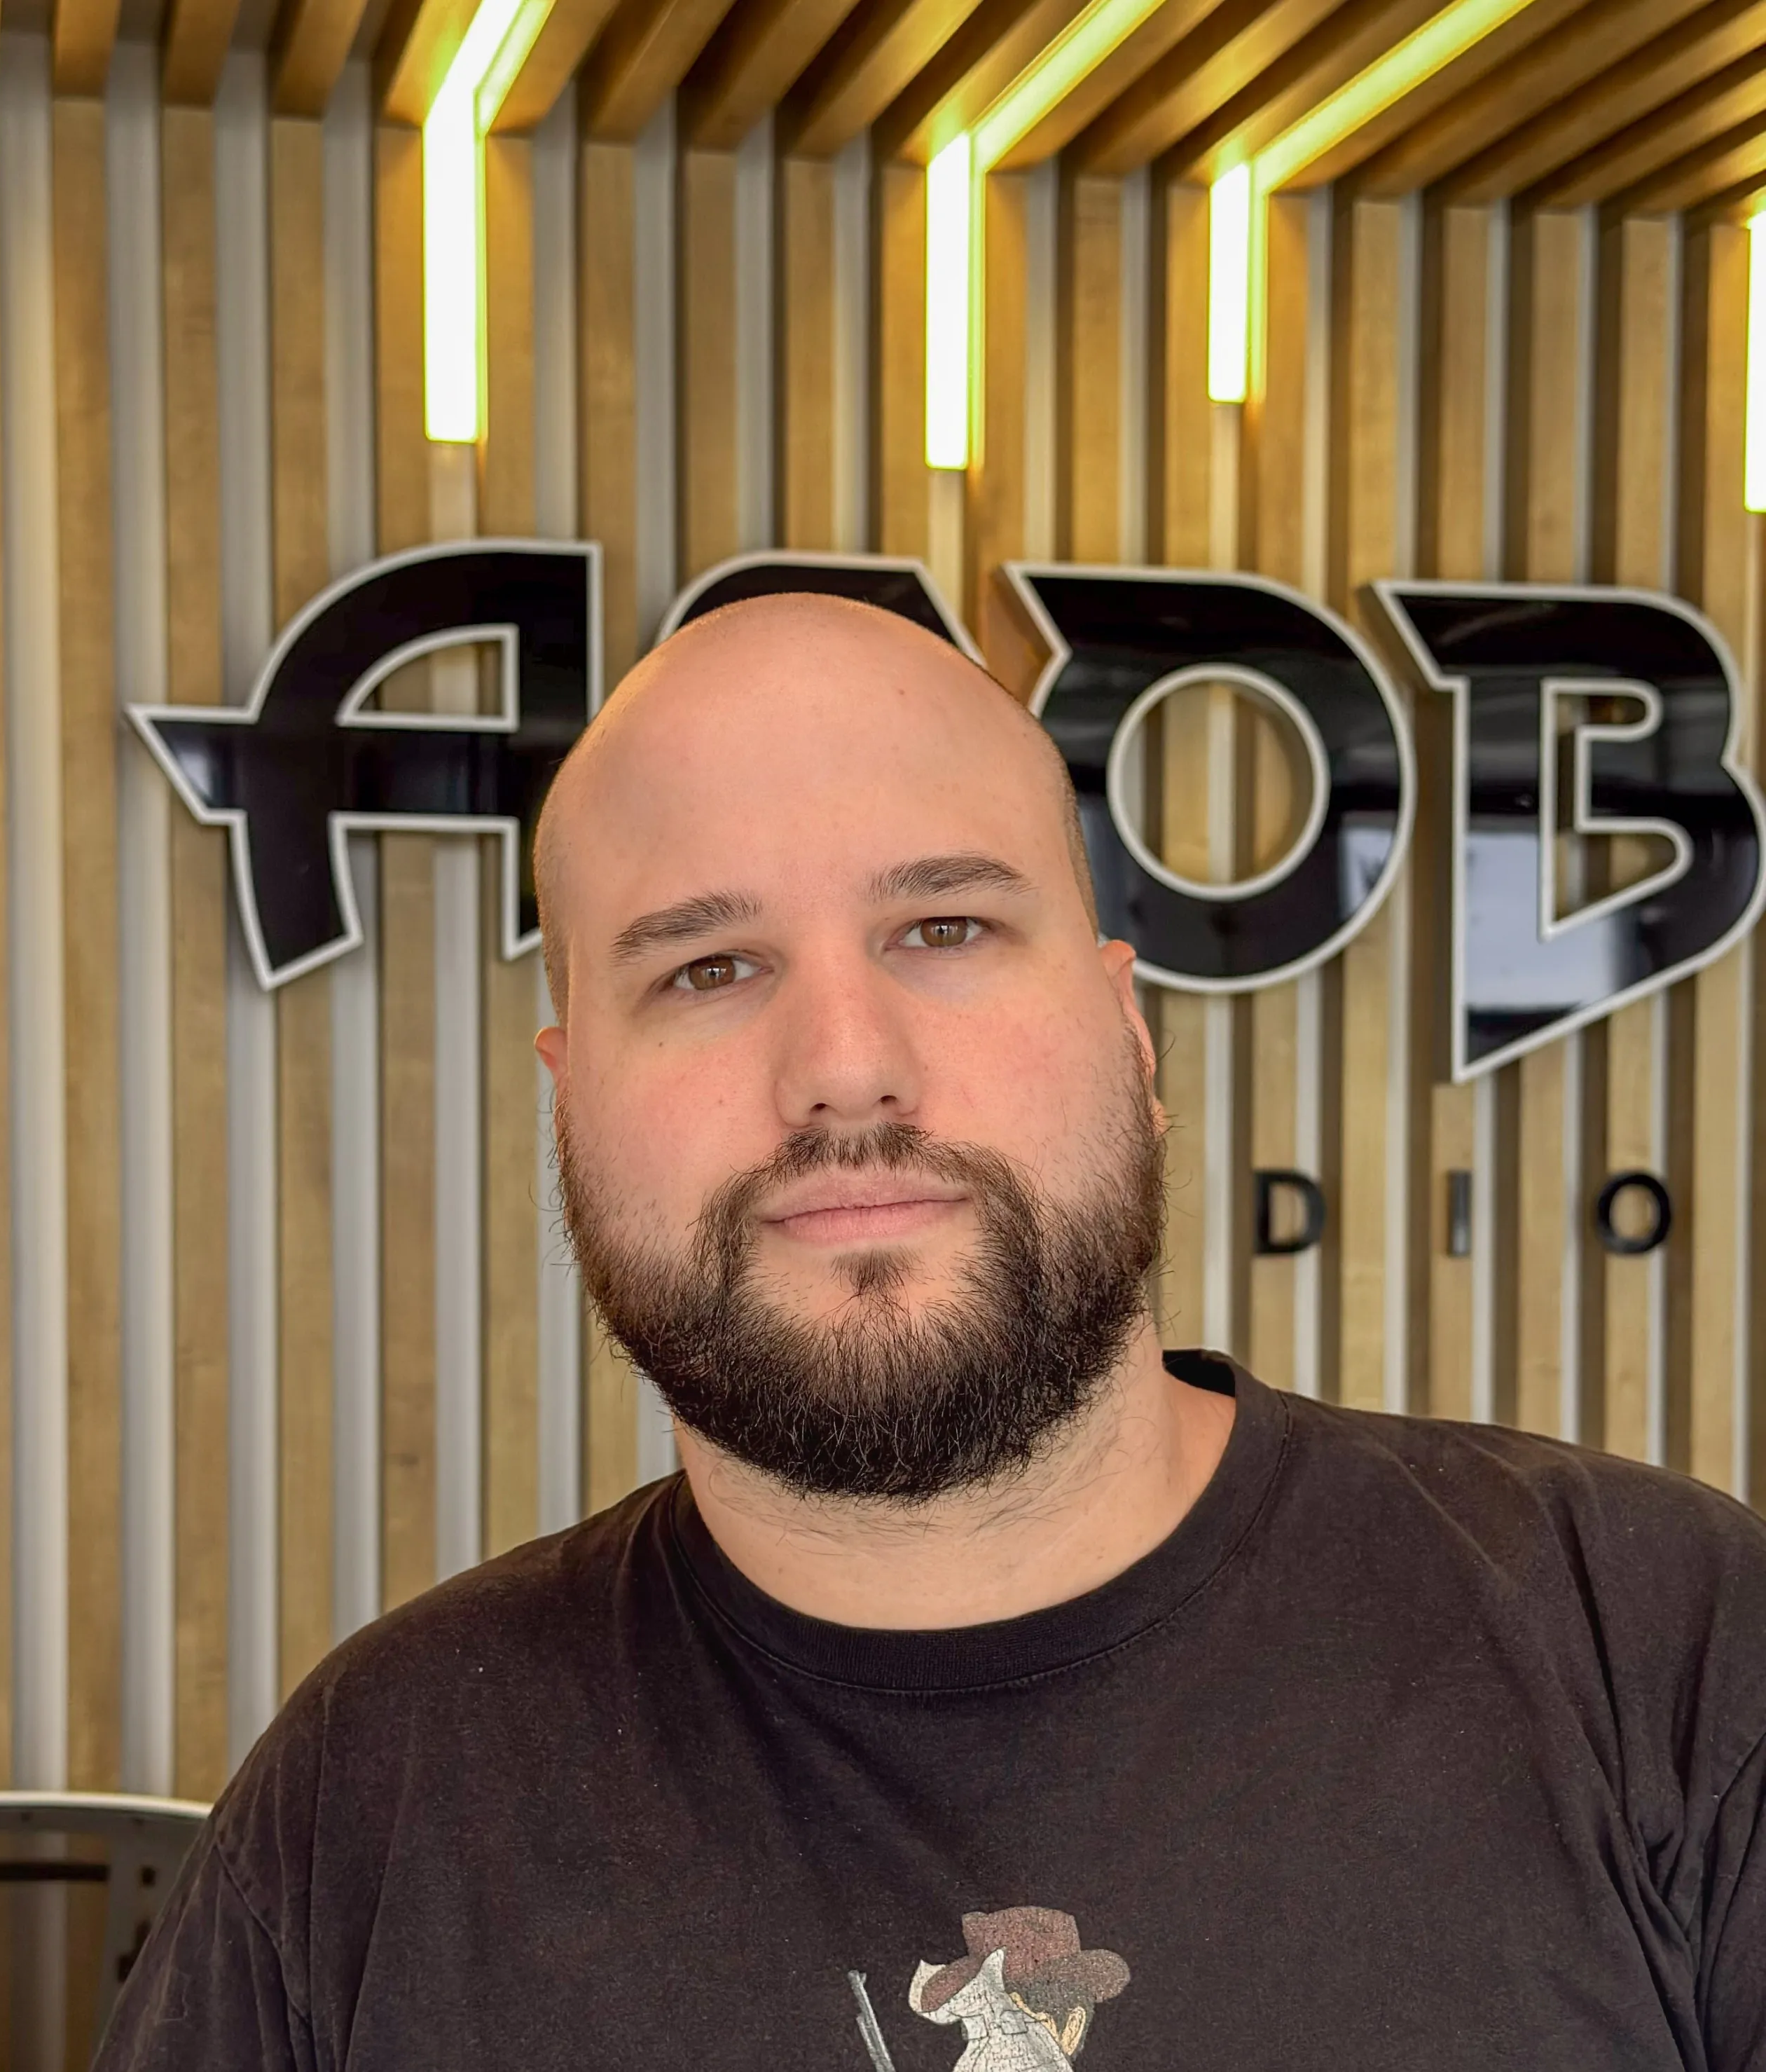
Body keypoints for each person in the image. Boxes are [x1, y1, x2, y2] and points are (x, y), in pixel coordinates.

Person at [98, 594, 1766, 2071]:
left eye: (943, 928)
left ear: (1129, 1028)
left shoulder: (1666, 1653)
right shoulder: (371, 1805)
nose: (843, 1057)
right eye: (705, 965)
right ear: (571, 1099)